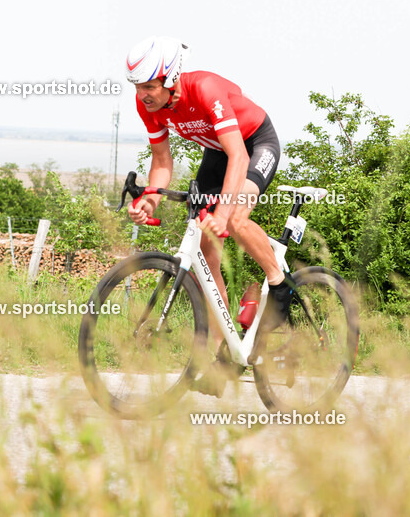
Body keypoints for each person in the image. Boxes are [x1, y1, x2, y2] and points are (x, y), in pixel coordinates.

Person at [125, 35, 294, 397]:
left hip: (253, 144)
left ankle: (279, 283)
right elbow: (161, 162)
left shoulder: (205, 88)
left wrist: (222, 210)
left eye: (150, 86)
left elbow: (240, 157)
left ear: (171, 80)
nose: (143, 95)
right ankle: (224, 351)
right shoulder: (149, 105)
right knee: (204, 247)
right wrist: (150, 201)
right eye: (138, 87)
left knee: (232, 218)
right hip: (218, 154)